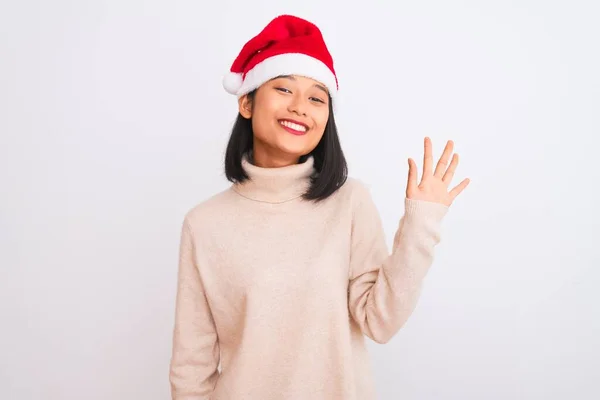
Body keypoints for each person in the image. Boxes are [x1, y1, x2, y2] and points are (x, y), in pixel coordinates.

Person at [168, 14, 470, 400]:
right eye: (283, 89)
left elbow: (380, 322)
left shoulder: (349, 203)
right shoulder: (204, 224)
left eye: (316, 97)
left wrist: (421, 224)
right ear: (246, 102)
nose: (300, 108)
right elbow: (191, 366)